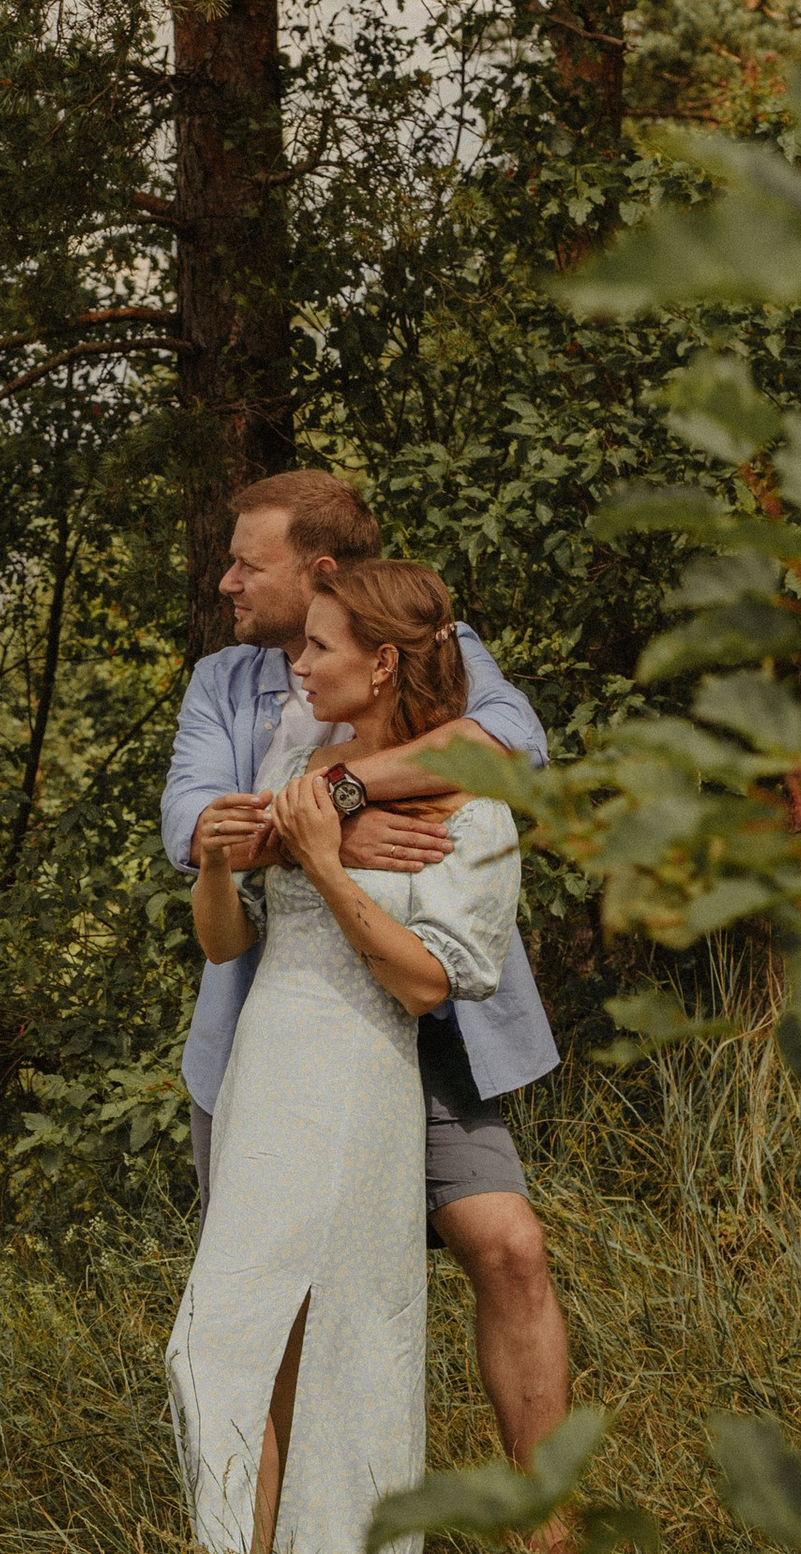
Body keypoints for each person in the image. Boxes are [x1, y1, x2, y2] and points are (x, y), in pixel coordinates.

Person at [160, 472, 570, 1474]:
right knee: (281, 1305)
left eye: (248, 564)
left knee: (509, 1247)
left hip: (430, 1031)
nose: (226, 582)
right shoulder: (222, 684)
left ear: (323, 572)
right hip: (271, 1033)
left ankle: (553, 1532)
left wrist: (332, 791)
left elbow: (512, 756)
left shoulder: (439, 648)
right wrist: (330, 831)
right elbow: (199, 828)